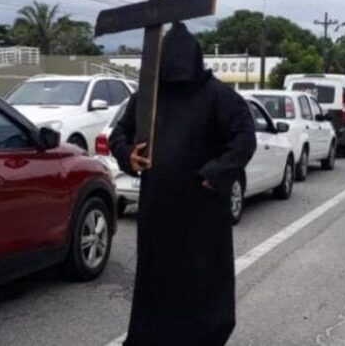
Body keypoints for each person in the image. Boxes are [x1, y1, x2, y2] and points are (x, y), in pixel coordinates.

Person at [109, 23, 257, 346]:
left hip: (201, 214)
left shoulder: (218, 96)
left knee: (201, 287)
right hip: (158, 212)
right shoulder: (148, 98)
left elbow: (245, 139)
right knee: (157, 284)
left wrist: (215, 172)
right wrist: (127, 155)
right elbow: (118, 134)